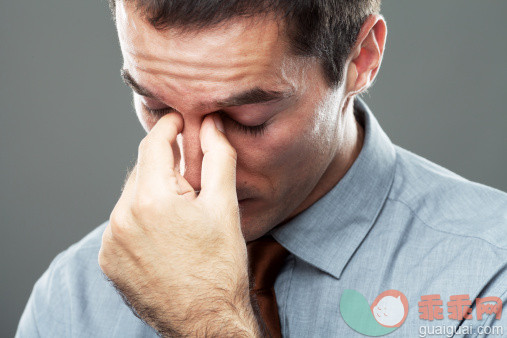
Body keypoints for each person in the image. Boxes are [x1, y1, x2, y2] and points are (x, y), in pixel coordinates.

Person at [16, 0, 507, 337]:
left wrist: (205, 321)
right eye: (156, 108)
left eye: (246, 119)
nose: (195, 167)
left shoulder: (489, 281)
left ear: (362, 57)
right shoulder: (73, 294)